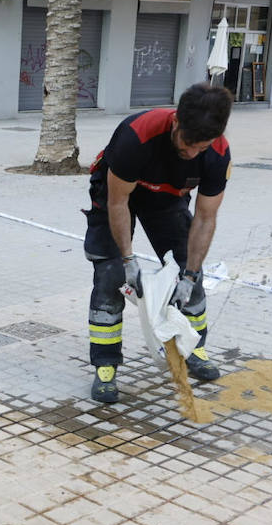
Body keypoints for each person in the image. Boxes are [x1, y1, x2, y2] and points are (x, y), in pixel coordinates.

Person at [83, 83, 234, 403]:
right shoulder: (137, 136)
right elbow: (118, 203)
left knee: (191, 276)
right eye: (187, 144)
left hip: (166, 199)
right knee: (110, 277)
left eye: (201, 147)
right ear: (176, 120)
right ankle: (105, 366)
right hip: (116, 194)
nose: (192, 153)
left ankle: (194, 349)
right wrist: (127, 260)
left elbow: (206, 218)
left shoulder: (217, 154)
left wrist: (190, 275)